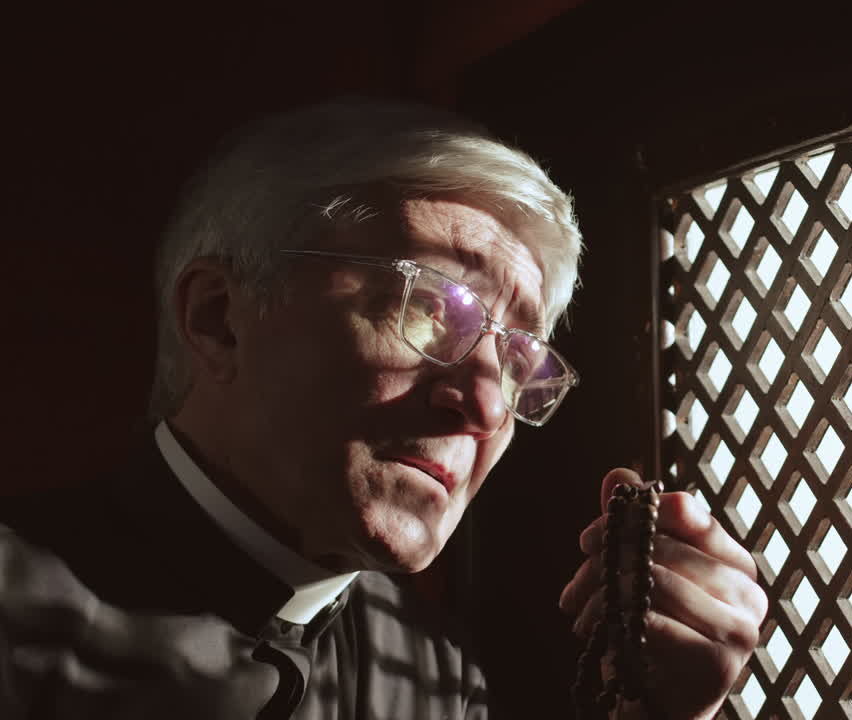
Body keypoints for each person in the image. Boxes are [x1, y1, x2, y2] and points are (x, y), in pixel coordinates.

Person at [0, 99, 766, 719]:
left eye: (515, 355)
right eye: (431, 310)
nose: (486, 402)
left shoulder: (437, 674)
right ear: (218, 319)